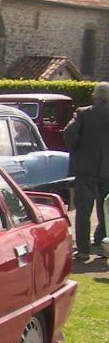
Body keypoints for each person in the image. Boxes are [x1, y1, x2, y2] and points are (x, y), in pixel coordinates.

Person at [64, 81, 109, 262]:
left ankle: (83, 250)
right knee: (106, 209)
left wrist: (76, 149)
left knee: (83, 210)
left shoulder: (83, 114)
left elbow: (68, 133)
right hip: (108, 170)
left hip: (86, 169)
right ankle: (102, 241)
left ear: (94, 96)